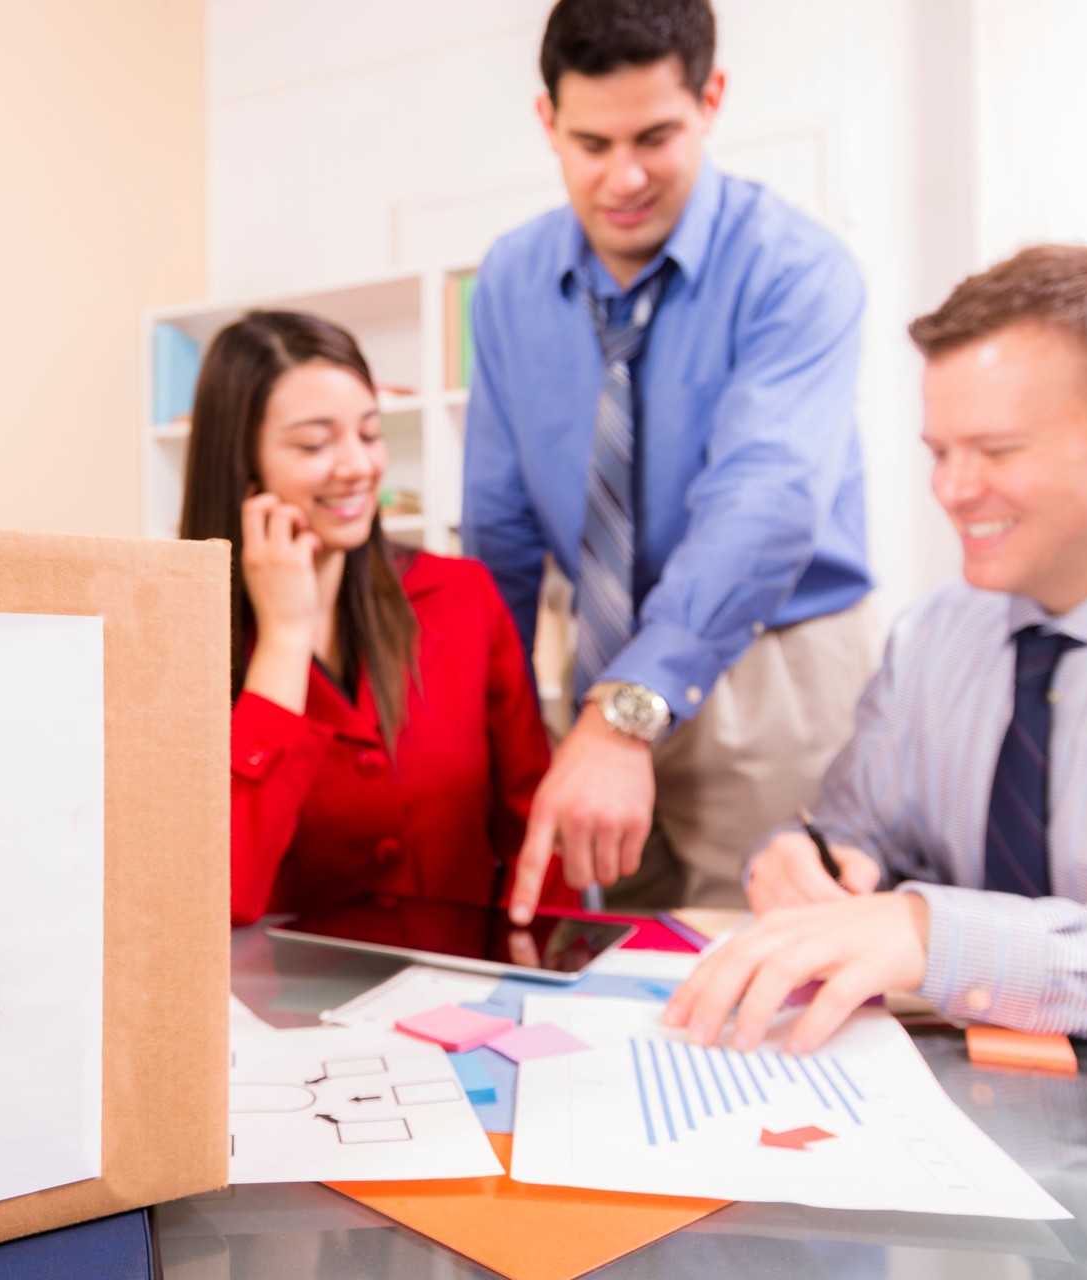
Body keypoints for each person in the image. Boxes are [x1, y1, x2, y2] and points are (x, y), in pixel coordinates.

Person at [665, 245, 1087, 1062]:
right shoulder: (932, 638)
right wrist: (807, 859)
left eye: (998, 451)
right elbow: (862, 829)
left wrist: (954, 938)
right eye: (939, 451)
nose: (952, 490)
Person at [464, 0, 879, 924]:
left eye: (656, 136)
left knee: (773, 966)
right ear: (549, 123)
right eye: (591, 142)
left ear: (711, 100)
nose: (625, 176)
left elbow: (764, 504)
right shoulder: (509, 281)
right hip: (596, 666)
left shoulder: (796, 271)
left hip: (773, 667)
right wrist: (487, 715)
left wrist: (627, 712)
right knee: (594, 954)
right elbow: (499, 520)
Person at [183, 311, 577, 927]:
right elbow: (218, 899)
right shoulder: (182, 642)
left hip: (463, 1000)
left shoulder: (462, 595)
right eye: (314, 444)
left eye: (369, 434)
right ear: (244, 462)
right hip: (280, 1016)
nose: (357, 467)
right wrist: (284, 639)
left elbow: (537, 837)